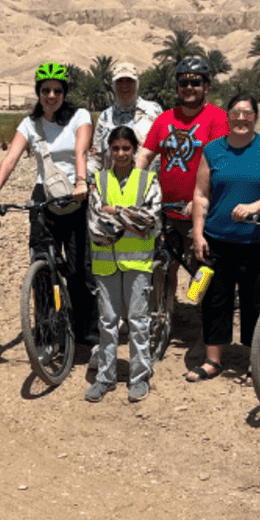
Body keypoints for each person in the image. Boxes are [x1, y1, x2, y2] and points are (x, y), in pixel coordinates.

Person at [0, 63, 98, 346]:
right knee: (42, 265)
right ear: (38, 92)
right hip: (43, 197)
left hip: (76, 195)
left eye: (57, 90)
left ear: (64, 93)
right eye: (45, 90)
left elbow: (80, 150)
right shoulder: (29, 124)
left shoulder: (80, 116)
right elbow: (10, 158)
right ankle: (47, 331)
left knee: (79, 270)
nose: (51, 95)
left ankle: (86, 330)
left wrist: (81, 181)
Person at [189, 94, 260, 382]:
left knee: (256, 302)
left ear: (256, 117)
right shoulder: (212, 150)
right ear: (227, 117)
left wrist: (254, 208)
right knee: (215, 300)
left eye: (247, 113)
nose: (241, 118)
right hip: (217, 240)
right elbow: (201, 194)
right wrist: (198, 233)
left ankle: (255, 360)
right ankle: (213, 361)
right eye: (235, 113)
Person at [139, 56, 229, 306]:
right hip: (166, 210)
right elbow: (145, 155)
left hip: (201, 212)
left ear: (206, 86)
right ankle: (164, 316)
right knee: (165, 267)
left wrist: (199, 201)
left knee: (202, 272)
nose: (189, 87)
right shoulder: (165, 118)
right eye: (183, 82)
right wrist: (132, 185)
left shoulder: (217, 118)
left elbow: (218, 166)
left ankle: (203, 329)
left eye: (195, 82)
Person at [85, 126, 162, 403]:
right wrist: (133, 221)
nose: (120, 154)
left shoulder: (148, 180)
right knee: (108, 322)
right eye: (115, 148)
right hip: (105, 263)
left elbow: (150, 219)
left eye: (126, 148)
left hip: (138, 263)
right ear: (109, 149)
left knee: (139, 322)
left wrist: (116, 211)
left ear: (134, 150)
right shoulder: (99, 180)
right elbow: (96, 224)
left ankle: (139, 377)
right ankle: (105, 377)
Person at [90, 61, 162, 171]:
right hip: (112, 185)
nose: (124, 85)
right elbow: (96, 158)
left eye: (129, 80)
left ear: (137, 83)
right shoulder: (105, 117)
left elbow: (166, 150)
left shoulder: (154, 111)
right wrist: (89, 181)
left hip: (148, 184)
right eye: (120, 81)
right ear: (113, 86)